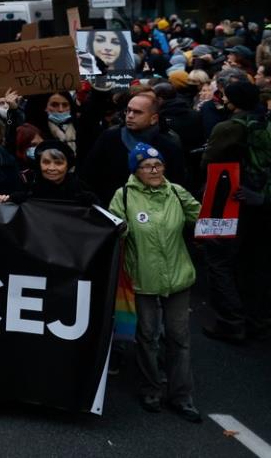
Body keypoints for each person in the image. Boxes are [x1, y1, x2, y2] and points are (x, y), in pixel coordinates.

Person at [107, 143, 202, 422]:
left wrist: (225, 204)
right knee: (147, 337)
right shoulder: (123, 196)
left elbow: (203, 218)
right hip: (142, 279)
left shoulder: (176, 192)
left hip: (178, 277)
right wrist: (119, 230)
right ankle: (151, 389)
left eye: (158, 164)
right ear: (135, 170)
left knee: (178, 337)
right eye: (147, 166)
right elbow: (114, 231)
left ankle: (182, 396)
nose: (154, 170)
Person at [199, 79, 271, 342]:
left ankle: (231, 321)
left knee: (218, 259)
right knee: (256, 262)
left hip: (229, 199)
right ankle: (258, 317)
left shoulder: (228, 127)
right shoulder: (267, 123)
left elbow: (208, 162)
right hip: (262, 202)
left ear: (233, 101)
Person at [82, 91, 189, 204]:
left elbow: (178, 183)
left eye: (137, 112)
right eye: (128, 110)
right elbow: (89, 175)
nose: (130, 115)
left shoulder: (168, 144)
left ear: (153, 118)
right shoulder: (109, 138)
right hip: (113, 209)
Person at [11, 140, 96, 204]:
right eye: (46, 162)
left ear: (68, 166)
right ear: (39, 164)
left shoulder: (81, 191)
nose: (51, 168)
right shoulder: (28, 187)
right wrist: (8, 200)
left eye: (58, 163)